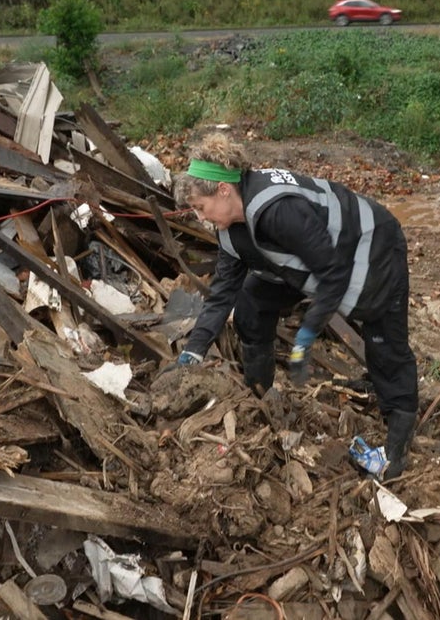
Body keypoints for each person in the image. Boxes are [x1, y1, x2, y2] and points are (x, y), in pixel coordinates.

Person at [169, 133, 419, 481]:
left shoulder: (277, 210)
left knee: (383, 343)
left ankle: (397, 450)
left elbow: (333, 273)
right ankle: (260, 399)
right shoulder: (231, 228)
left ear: (223, 190)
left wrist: (306, 336)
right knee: (251, 302)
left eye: (201, 207)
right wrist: (193, 351)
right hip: (307, 264)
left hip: (370, 248)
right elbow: (222, 293)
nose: (201, 218)